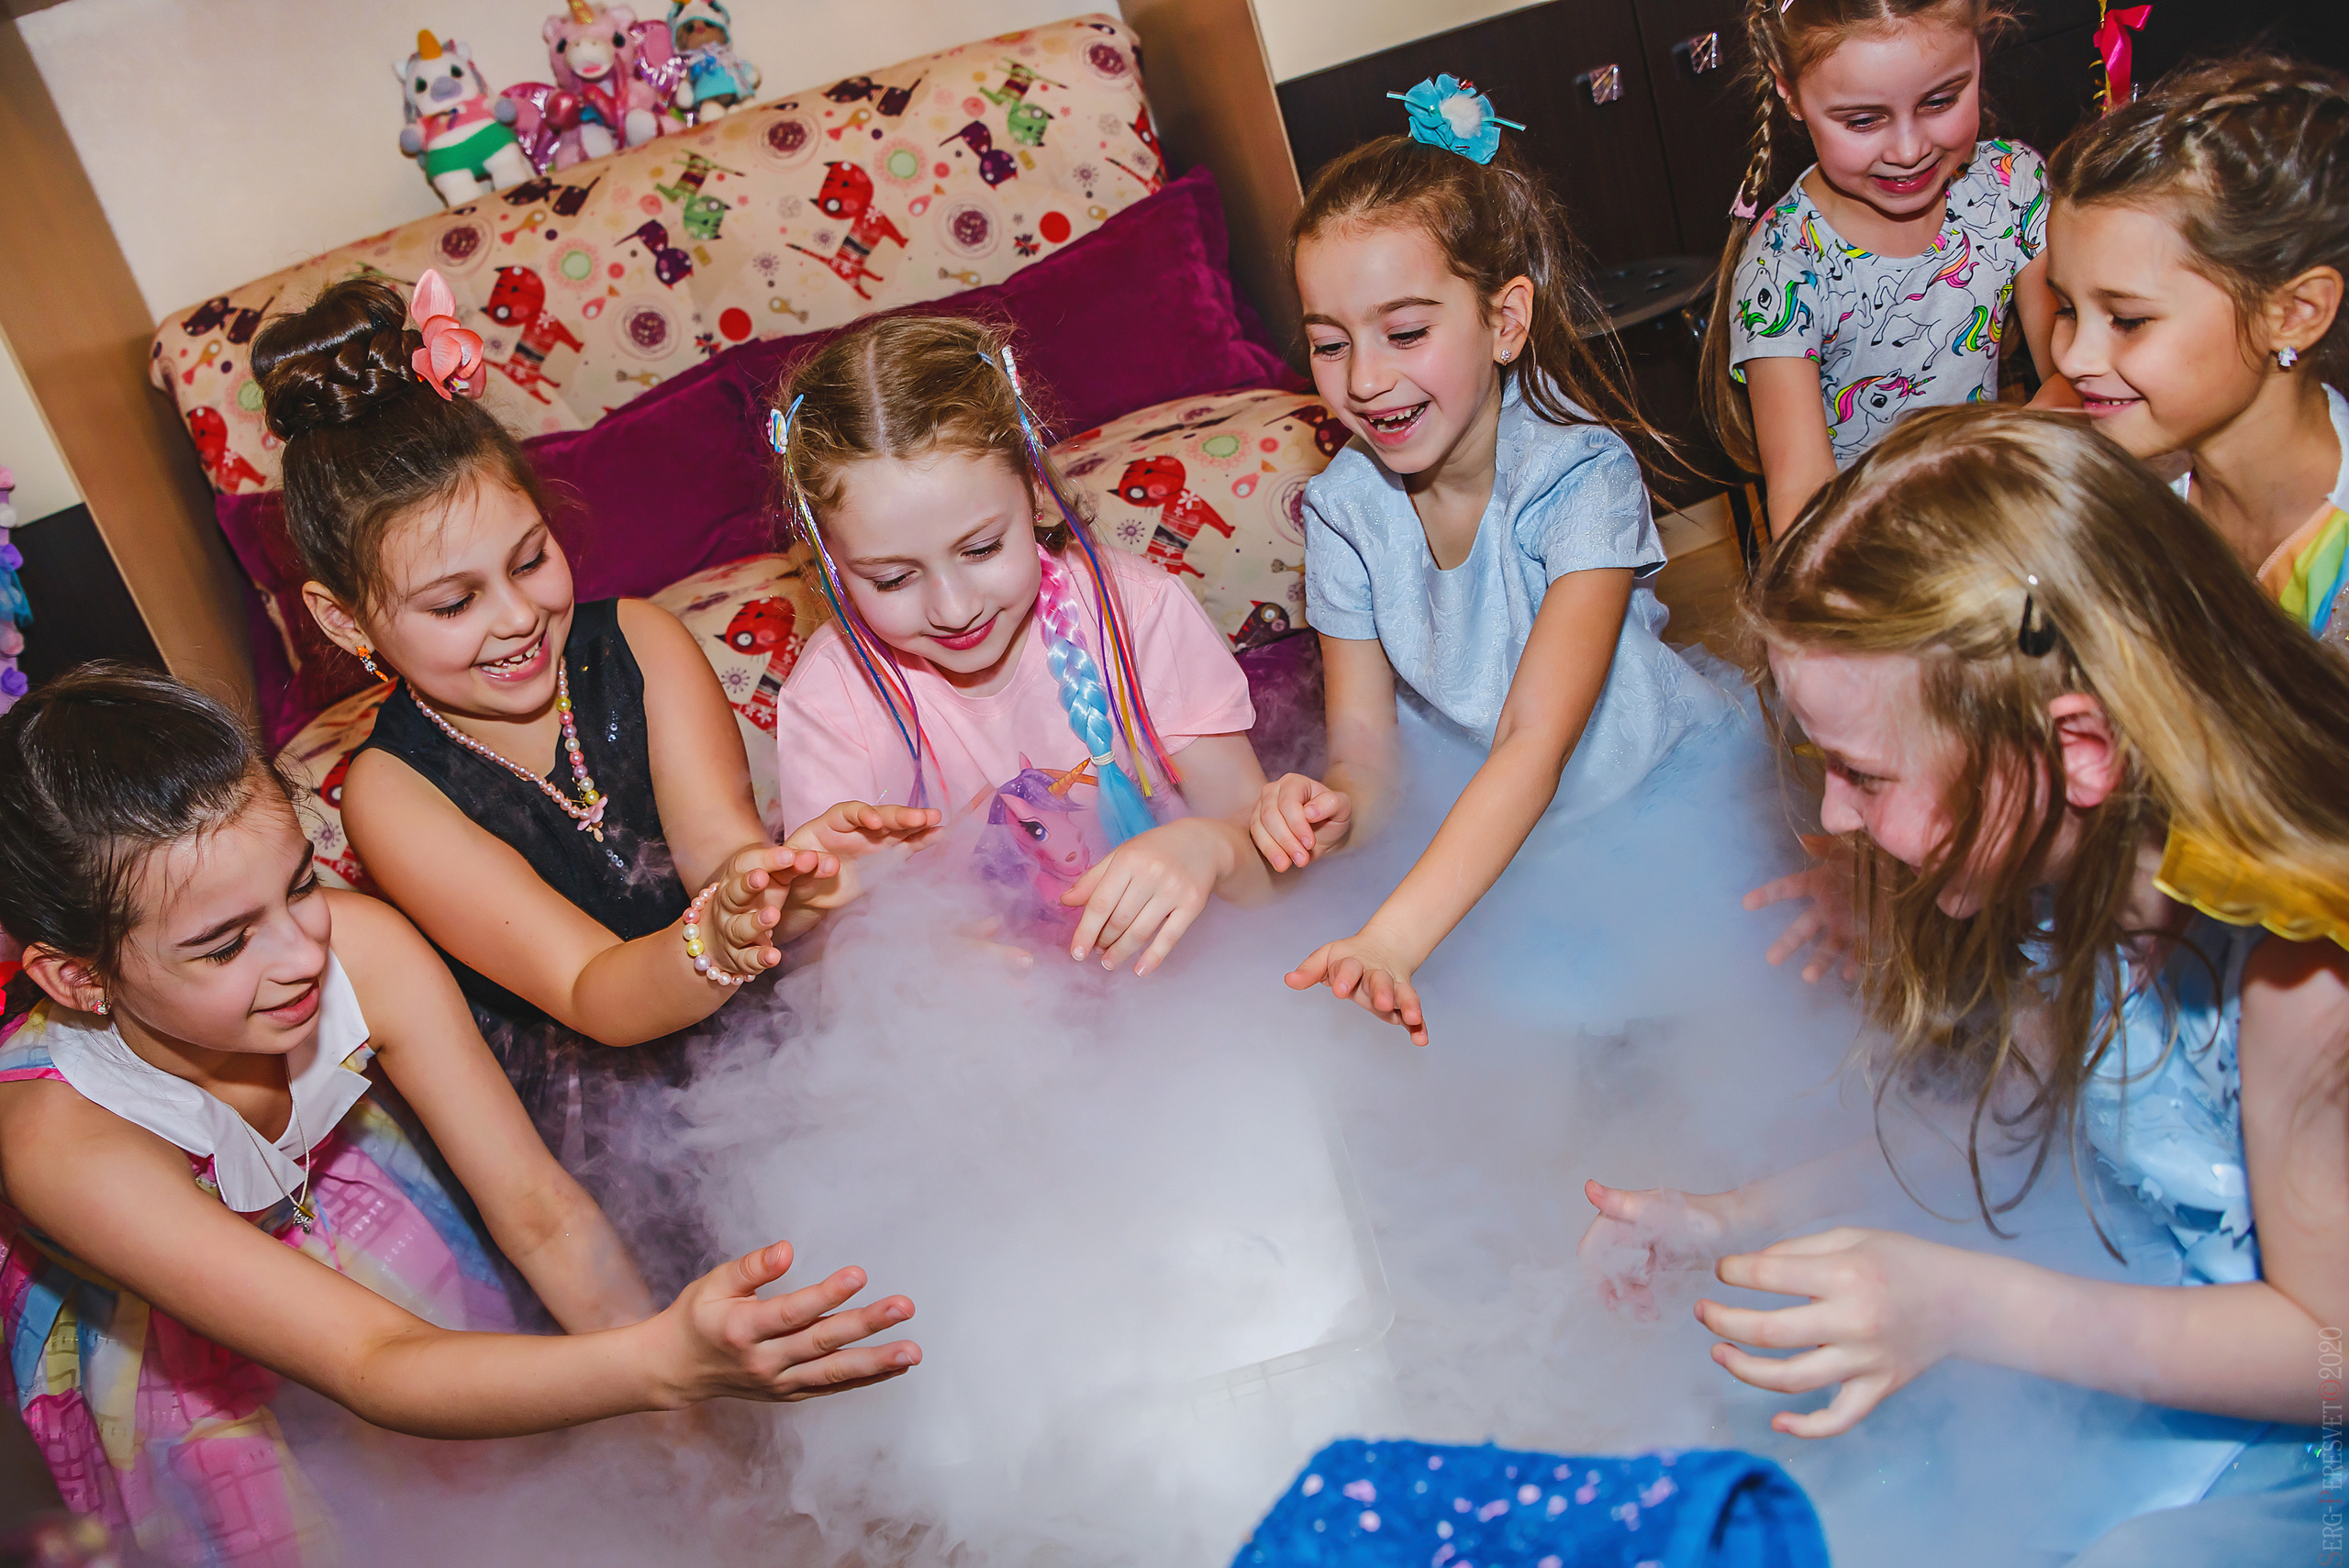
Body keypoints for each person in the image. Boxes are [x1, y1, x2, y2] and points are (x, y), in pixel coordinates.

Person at [1586, 406, 2345, 1562]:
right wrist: (1729, 1215)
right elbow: (2004, 1117)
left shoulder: (2300, 971)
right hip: (2170, 1335)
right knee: (1787, 1463)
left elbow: (2329, 1351)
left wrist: (1964, 1305)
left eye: (1862, 773)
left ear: (2076, 750)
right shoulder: (2073, 885)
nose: (1833, 816)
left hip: (2306, 1442)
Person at [0, 667, 918, 1564]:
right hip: (170, 1339)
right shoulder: (63, 1140)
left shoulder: (362, 948)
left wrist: (694, 1446)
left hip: (348, 1211)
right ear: (77, 978)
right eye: (226, 943)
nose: (302, 954)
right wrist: (657, 1361)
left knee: (487, 1479)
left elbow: (540, 1211)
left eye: (301, 885)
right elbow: (374, 1358)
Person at [251, 273, 937, 1203]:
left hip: (757, 1024)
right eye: (453, 602)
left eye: (531, 558)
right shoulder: (392, 793)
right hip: (619, 1117)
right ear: (342, 620)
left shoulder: (641, 643)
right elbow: (590, 991)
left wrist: (786, 882)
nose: (516, 617)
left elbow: (720, 850)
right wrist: (716, 940)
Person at [1250, 80, 1735, 1046]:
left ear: (1505, 320)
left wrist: (1395, 935)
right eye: (1329, 345)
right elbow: (1367, 752)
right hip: (1504, 843)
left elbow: (1531, 741)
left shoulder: (1581, 477)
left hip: (1659, 803)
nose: (1366, 380)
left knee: (1702, 1037)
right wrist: (1335, 807)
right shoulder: (1343, 510)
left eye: (1406, 332)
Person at [767, 315, 1271, 976]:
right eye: (891, 579)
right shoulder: (831, 700)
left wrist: (1214, 849)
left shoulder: (1137, 612)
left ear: (1034, 492)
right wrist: (898, 970)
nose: (955, 609)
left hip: (1201, 981)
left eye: (982, 549)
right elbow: (826, 963)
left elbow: (1272, 885)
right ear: (829, 560)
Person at [1700, 0, 2068, 537]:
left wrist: (1998, 473)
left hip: (2001, 514)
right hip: (1875, 557)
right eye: (1864, 120)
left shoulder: (2013, 184)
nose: (1909, 150)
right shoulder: (1782, 268)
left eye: (1940, 101)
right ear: (1789, 91)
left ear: (1978, 53)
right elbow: (1803, 504)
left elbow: (2075, 376)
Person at [2046, 54, 2349, 650]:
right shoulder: (2121, 486)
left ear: (2294, 313)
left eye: (2128, 320)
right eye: (2066, 309)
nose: (2074, 359)